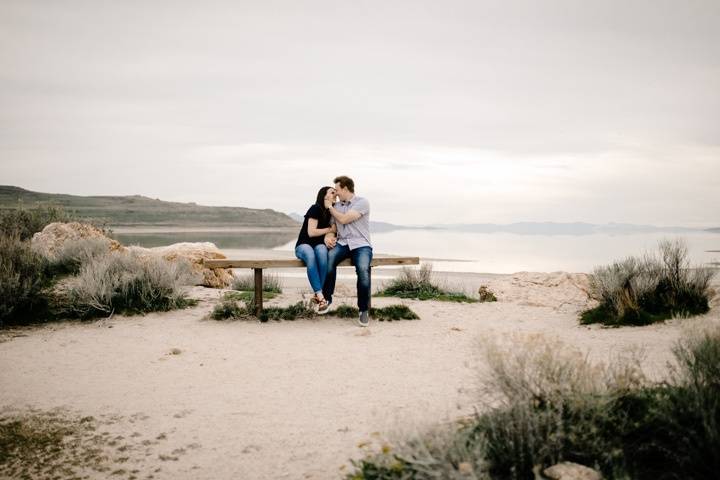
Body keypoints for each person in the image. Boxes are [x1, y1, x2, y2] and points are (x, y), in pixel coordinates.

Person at [320, 175, 373, 327]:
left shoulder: (362, 202)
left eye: (337, 190)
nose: (335, 193)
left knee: (363, 270)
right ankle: (327, 299)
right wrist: (327, 237)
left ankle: (363, 310)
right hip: (342, 243)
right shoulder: (336, 207)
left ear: (345, 188)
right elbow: (333, 228)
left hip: (361, 244)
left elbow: (343, 219)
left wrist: (329, 206)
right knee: (329, 260)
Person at [295, 186, 337, 311]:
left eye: (336, 193)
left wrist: (330, 236)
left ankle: (316, 294)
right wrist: (330, 230)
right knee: (311, 255)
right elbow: (311, 232)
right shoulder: (315, 208)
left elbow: (335, 230)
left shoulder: (332, 211)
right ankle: (320, 295)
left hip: (319, 245)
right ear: (324, 196)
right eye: (332, 192)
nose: (335, 195)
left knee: (323, 253)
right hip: (304, 244)